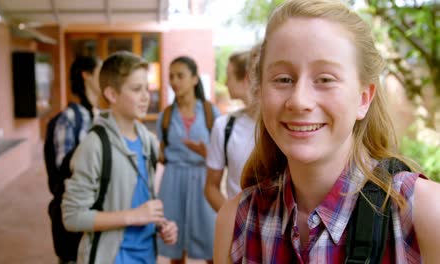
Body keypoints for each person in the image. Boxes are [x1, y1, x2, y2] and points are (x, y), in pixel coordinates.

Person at [214, 0, 440, 263]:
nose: (299, 101)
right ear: (261, 92)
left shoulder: (422, 214)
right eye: (283, 79)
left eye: (325, 79)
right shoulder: (236, 222)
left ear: (363, 99)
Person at [61, 51, 178, 264]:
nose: (146, 96)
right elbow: (72, 217)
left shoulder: (148, 142)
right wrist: (133, 216)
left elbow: (141, 200)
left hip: (147, 257)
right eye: (136, 89)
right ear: (112, 95)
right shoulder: (94, 145)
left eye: (147, 88)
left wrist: (160, 224)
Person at [157, 56, 220, 264]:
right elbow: (161, 152)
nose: (174, 81)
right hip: (172, 181)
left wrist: (206, 153)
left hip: (203, 181)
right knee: (174, 244)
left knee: (210, 243)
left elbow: (220, 154)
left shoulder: (211, 113)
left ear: (194, 79)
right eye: (171, 76)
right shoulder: (165, 116)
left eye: (180, 76)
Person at [46, 56, 101, 264]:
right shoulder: (69, 118)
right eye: (100, 71)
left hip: (96, 214)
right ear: (86, 76)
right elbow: (65, 169)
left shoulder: (98, 115)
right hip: (76, 215)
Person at [204, 49, 257, 212]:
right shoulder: (225, 126)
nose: (226, 83)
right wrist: (235, 224)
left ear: (246, 78)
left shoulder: (283, 126)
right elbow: (211, 188)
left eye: (229, 76)